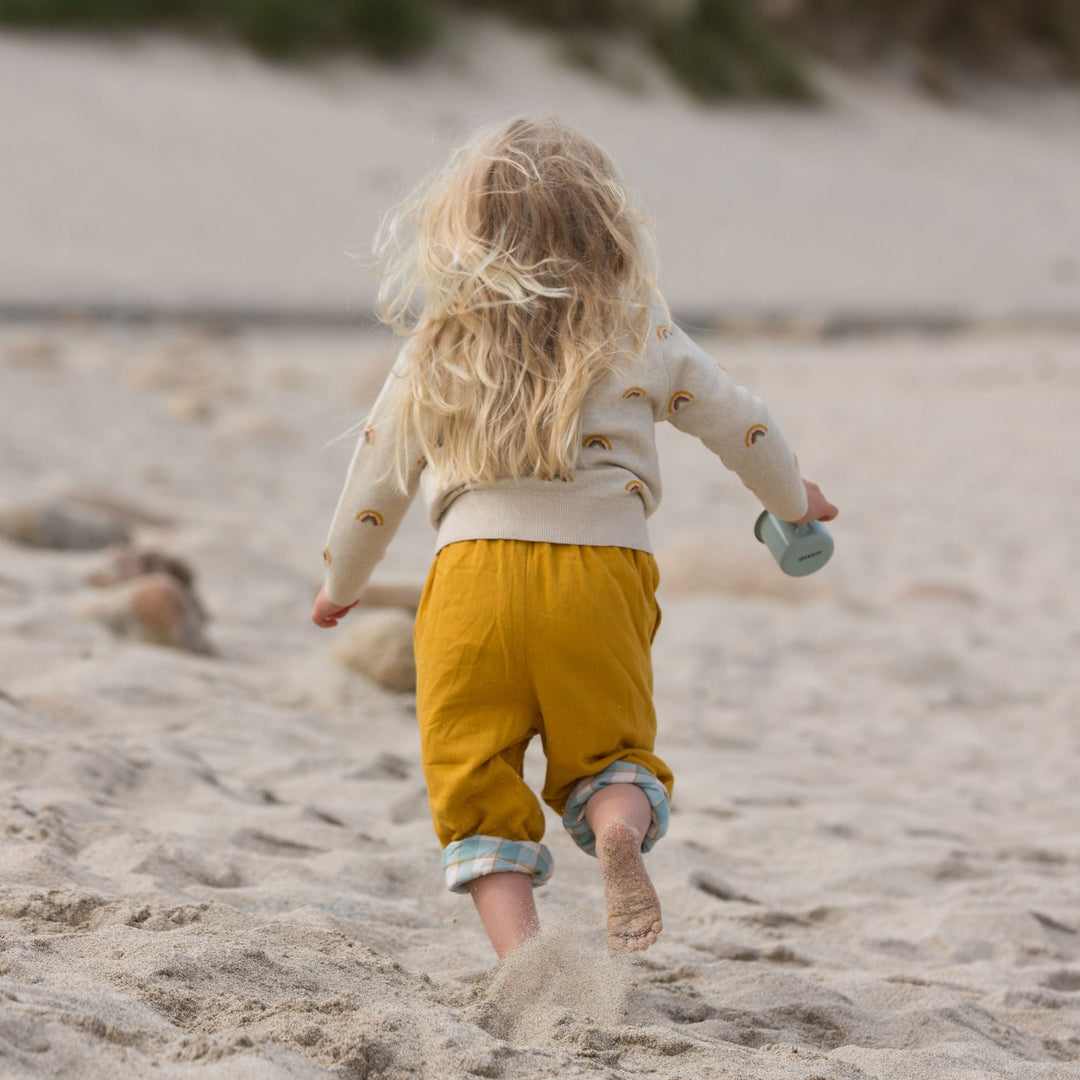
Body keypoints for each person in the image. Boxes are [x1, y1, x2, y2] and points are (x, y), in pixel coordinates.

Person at [311, 117, 837, 959]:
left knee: (472, 773)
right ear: (609, 227)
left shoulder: (436, 346)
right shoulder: (640, 334)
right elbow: (746, 426)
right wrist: (795, 501)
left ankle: (525, 960)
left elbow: (376, 485)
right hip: (601, 575)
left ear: (461, 234)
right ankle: (616, 830)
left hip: (470, 582)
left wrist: (341, 584)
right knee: (610, 754)